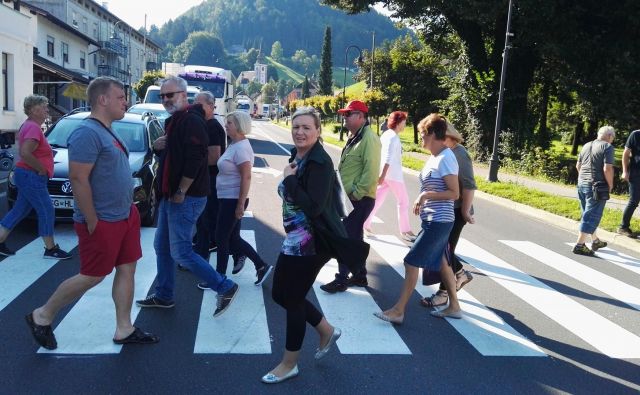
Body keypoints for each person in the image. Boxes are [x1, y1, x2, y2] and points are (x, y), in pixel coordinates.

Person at [25, 77, 158, 350]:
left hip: (124, 215)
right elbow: (77, 178)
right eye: (120, 97)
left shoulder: (109, 129)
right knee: (93, 275)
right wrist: (92, 219)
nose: (126, 102)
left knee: (127, 269)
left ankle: (124, 328)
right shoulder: (87, 132)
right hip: (103, 219)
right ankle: (43, 315)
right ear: (103, 99)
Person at [136, 76, 238, 317]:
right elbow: (179, 154)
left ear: (183, 95)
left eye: (169, 95)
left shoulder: (191, 121)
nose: (165, 100)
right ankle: (164, 295)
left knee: (180, 251)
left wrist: (181, 190)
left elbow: (196, 159)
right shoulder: (177, 121)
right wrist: (163, 145)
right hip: (171, 196)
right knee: (161, 246)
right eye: (162, 96)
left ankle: (224, 286)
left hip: (186, 197)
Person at [262, 107, 342, 384]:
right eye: (296, 126)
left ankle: (289, 363)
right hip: (297, 238)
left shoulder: (320, 162)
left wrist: (289, 179)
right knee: (280, 294)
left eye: (307, 127)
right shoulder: (299, 156)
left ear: (318, 131)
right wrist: (291, 175)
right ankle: (326, 330)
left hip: (313, 242)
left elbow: (314, 207)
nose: (300, 132)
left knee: (293, 298)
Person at [374, 113, 461, 324]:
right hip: (433, 220)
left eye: (422, 134)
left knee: (411, 261)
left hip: (439, 221)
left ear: (432, 134)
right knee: (442, 263)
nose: (420, 138)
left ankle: (399, 310)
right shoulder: (436, 156)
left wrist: (425, 195)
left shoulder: (446, 158)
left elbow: (454, 193)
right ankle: (454, 307)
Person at [320, 100, 381, 293]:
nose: (344, 117)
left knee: (343, 238)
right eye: (344, 114)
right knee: (354, 238)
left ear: (361, 116)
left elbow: (371, 172)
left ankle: (341, 279)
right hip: (351, 199)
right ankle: (360, 275)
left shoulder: (369, 138)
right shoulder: (355, 136)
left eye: (349, 114)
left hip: (359, 200)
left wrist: (355, 193)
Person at [0, 95, 71, 259]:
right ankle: (51, 248)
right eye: (44, 106)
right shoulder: (32, 127)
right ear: (33, 110)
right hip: (31, 175)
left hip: (26, 175)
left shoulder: (29, 125)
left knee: (20, 210)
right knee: (46, 210)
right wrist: (41, 169)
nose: (47, 110)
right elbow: (25, 153)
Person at [211, 111, 272, 287]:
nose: (226, 125)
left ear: (238, 126)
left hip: (232, 200)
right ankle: (261, 265)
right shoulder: (234, 144)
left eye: (229, 123)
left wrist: (240, 204)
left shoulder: (242, 148)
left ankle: (219, 278)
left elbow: (246, 177)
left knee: (221, 238)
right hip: (227, 198)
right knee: (233, 239)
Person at [421, 122, 475, 308]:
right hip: (443, 209)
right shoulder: (442, 154)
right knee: (442, 250)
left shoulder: (460, 154)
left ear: (449, 137)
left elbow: (469, 185)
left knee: (444, 250)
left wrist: (466, 211)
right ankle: (460, 274)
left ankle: (445, 293)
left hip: (457, 211)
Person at [363, 111, 416, 241]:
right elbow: (387, 157)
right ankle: (405, 231)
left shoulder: (386, 134)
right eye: (404, 122)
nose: (405, 124)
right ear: (398, 122)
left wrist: (381, 175)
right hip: (393, 175)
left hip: (385, 174)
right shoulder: (393, 137)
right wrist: (383, 175)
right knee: (404, 201)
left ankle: (365, 225)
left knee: (377, 201)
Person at [193, 91, 226, 259]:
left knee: (205, 220)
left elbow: (214, 157)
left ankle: (200, 255)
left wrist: (192, 163)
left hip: (211, 180)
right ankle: (200, 248)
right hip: (208, 179)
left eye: (199, 105)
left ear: (211, 106)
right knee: (203, 220)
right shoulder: (206, 124)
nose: (195, 108)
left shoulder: (212, 126)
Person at [573, 126, 615, 256]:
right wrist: (610, 184)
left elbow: (578, 165)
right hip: (596, 186)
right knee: (591, 216)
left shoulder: (586, 145)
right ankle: (579, 245)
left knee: (587, 213)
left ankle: (595, 240)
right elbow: (607, 168)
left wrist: (584, 179)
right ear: (609, 136)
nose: (612, 140)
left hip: (581, 183)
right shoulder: (607, 147)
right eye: (613, 137)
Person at [618, 129, 640, 238]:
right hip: (636, 173)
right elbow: (626, 154)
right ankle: (623, 227)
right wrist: (625, 171)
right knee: (634, 201)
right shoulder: (636, 134)